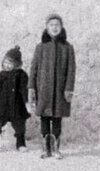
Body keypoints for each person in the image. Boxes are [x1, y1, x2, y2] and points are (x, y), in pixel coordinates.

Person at [29, 13, 76, 159]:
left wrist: (68, 88)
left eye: (57, 25)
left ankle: (56, 149)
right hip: (43, 89)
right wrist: (31, 87)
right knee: (44, 118)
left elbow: (71, 69)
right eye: (51, 25)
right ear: (46, 28)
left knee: (56, 119)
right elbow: (34, 68)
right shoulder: (41, 47)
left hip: (60, 90)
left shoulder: (67, 48)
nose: (54, 28)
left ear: (61, 28)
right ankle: (45, 149)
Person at [0, 45, 30, 153]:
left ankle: (21, 144)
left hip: (17, 105)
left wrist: (27, 102)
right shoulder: (1, 75)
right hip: (2, 105)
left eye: (10, 63)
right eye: (5, 62)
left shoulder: (22, 75)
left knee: (19, 126)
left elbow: (24, 90)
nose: (7, 65)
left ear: (17, 64)